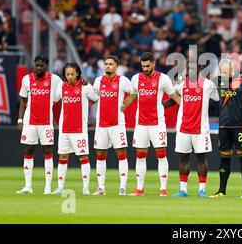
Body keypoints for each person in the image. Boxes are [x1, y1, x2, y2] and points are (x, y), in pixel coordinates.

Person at [121, 52, 181, 196]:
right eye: (143, 66)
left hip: (157, 123)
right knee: (140, 156)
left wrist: (187, 107)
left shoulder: (163, 78)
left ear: (153, 64)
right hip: (141, 124)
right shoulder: (136, 78)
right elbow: (132, 96)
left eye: (148, 66)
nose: (145, 69)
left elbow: (174, 96)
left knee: (161, 155)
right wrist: (122, 107)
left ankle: (163, 188)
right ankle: (139, 188)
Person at [164, 62, 219, 197]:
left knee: (201, 158)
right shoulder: (181, 84)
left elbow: (217, 99)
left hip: (201, 128)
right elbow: (173, 98)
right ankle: (183, 189)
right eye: (188, 68)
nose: (191, 71)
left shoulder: (208, 84)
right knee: (183, 158)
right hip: (183, 128)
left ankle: (202, 190)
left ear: (200, 69)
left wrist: (204, 105)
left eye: (194, 68)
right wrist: (160, 105)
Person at [17, 55, 62, 194]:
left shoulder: (54, 80)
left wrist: (82, 82)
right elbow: (23, 101)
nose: (39, 68)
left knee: (47, 151)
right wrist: (20, 121)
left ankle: (47, 187)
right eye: (37, 65)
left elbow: (66, 87)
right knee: (28, 150)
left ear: (47, 66)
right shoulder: (27, 79)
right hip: (30, 122)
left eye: (42, 65)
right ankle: (28, 186)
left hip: (46, 123)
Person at [52, 63, 99, 195]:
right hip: (64, 129)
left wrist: (85, 105)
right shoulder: (61, 86)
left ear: (78, 73)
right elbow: (55, 100)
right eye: (67, 74)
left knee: (83, 157)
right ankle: (60, 186)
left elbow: (95, 98)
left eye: (72, 74)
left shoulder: (85, 86)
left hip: (79, 129)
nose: (70, 76)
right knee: (63, 156)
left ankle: (85, 188)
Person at [210, 58, 242, 198]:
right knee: (224, 159)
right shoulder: (217, 81)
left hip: (240, 125)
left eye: (224, 70)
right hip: (224, 126)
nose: (222, 72)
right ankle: (222, 190)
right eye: (220, 70)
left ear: (232, 69)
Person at [92, 56, 132, 196]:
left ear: (116, 67)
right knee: (100, 154)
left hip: (117, 124)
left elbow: (134, 93)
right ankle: (101, 188)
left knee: (121, 154)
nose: (108, 66)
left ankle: (122, 187)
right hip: (101, 124)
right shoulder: (98, 81)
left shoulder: (123, 81)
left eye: (111, 64)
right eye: (106, 64)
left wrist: (125, 104)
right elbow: (93, 97)